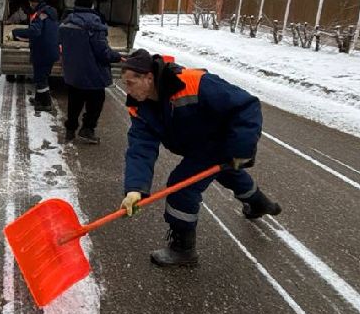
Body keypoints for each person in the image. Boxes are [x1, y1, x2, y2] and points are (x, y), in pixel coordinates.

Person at [119, 49, 281, 267]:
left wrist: (241, 150)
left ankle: (183, 249)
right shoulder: (139, 106)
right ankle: (260, 203)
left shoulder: (193, 83)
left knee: (181, 187)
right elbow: (141, 148)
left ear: (148, 78)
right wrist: (135, 188)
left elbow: (246, 105)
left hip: (222, 140)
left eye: (130, 83)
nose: (126, 89)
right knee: (229, 174)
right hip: (198, 145)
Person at [58, 0, 122, 144]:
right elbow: (102, 51)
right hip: (93, 73)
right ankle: (87, 129)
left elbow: (61, 44)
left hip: (73, 72)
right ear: (91, 5)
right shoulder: (94, 22)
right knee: (96, 102)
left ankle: (70, 130)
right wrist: (116, 56)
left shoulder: (66, 22)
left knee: (74, 101)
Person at [11, 0, 59, 111]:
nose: (30, 5)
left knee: (40, 78)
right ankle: (39, 99)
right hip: (50, 50)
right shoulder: (50, 13)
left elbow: (35, 31)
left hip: (43, 51)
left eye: (31, 2)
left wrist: (17, 32)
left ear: (33, 2)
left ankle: (46, 103)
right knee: (43, 76)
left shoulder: (40, 14)